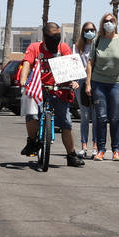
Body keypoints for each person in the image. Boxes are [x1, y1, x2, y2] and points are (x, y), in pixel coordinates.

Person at [18, 22, 83, 167]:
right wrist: (23, 80)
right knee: (32, 115)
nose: (56, 39)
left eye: (58, 36)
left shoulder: (63, 48)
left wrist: (74, 81)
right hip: (38, 89)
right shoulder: (35, 47)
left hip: (59, 89)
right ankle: (32, 141)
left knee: (66, 122)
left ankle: (71, 155)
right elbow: (27, 63)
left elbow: (71, 67)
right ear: (45, 36)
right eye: (53, 36)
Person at [88, 11, 119, 162]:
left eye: (111, 20)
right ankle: (100, 150)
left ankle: (116, 150)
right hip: (98, 83)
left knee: (114, 118)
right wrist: (88, 83)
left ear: (115, 23)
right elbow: (90, 62)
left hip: (115, 84)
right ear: (102, 24)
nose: (108, 23)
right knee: (101, 118)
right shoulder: (97, 40)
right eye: (106, 20)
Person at [73, 21, 98, 158]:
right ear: (83, 32)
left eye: (92, 29)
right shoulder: (78, 47)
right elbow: (74, 65)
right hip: (81, 83)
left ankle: (95, 146)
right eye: (87, 30)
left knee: (95, 117)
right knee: (85, 116)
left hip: (96, 83)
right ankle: (83, 146)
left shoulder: (98, 45)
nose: (89, 32)